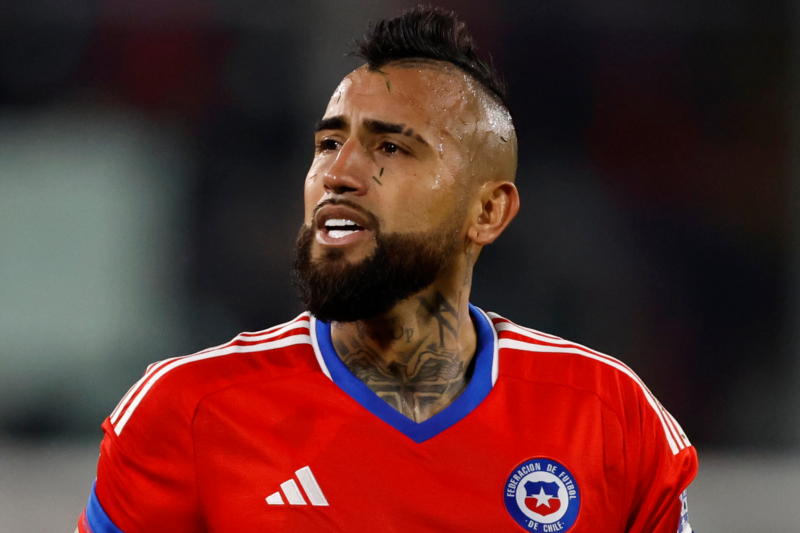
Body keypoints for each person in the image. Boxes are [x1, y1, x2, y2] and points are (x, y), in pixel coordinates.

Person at [75, 7, 697, 533]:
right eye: (328, 144)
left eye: (391, 148)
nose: (338, 173)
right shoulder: (187, 412)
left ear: (487, 211)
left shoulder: (610, 418)